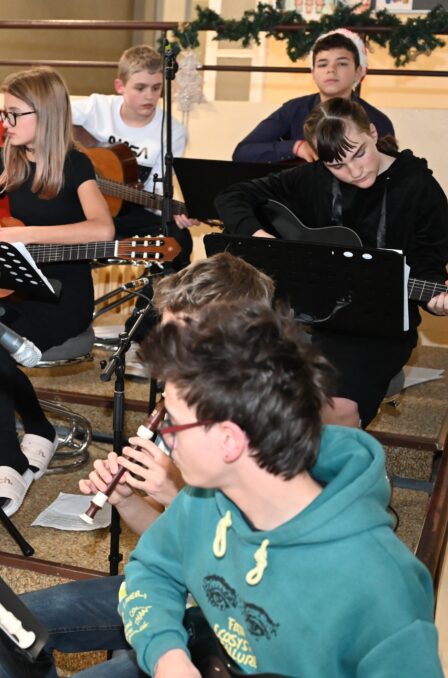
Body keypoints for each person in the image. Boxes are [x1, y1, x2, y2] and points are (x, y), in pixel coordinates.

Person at [119, 301, 443, 678]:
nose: (165, 439)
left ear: (229, 441)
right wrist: (167, 656)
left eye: (172, 424)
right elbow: (152, 569)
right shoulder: (204, 498)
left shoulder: (380, 588)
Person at [0, 253, 276, 678]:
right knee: (15, 622)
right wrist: (127, 501)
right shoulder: (181, 404)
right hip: (169, 587)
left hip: (229, 617)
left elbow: (255, 568)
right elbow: (165, 540)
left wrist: (175, 493)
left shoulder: (272, 431)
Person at [0, 66, 114, 517]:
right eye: (5, 113)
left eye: (15, 114)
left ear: (46, 113)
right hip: (20, 288)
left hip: (63, 296)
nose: (7, 123)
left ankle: (14, 458)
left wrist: (29, 234)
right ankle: (31, 434)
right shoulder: (10, 159)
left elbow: (102, 228)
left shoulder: (75, 165)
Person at [217, 97, 448, 427]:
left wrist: (437, 300)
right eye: (337, 165)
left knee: (335, 410)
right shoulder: (314, 178)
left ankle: (340, 459)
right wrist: (263, 239)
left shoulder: (419, 187)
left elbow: (428, 267)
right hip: (306, 313)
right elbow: (230, 196)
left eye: (359, 154)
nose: (354, 171)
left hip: (376, 328)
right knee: (231, 383)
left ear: (372, 132)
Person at [70, 44, 196, 267]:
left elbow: (157, 189)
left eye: (156, 88)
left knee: (177, 240)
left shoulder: (172, 131)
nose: (150, 96)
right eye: (140, 88)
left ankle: (155, 290)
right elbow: (51, 116)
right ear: (120, 86)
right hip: (78, 206)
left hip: (128, 210)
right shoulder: (97, 107)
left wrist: (172, 210)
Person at [232, 28, 395, 164]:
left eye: (342, 63)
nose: (331, 69)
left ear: (358, 72)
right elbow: (242, 152)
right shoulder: (294, 109)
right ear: (313, 73)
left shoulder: (377, 120)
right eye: (322, 64)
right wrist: (296, 147)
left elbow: (389, 172)